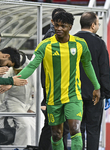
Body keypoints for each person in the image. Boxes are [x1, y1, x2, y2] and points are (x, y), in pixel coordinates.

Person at [8, 11, 101, 150]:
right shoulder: (45, 45)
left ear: (70, 27)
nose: (58, 28)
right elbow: (32, 65)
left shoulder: (80, 44)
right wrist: (13, 80)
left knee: (75, 130)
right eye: (56, 25)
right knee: (56, 134)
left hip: (73, 96)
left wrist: (97, 86)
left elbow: (87, 65)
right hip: (53, 98)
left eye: (63, 26)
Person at [74, 12, 110, 150]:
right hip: (95, 94)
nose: (98, 26)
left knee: (77, 130)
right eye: (98, 24)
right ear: (92, 25)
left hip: (74, 93)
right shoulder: (99, 43)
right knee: (93, 130)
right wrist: (107, 93)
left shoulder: (71, 41)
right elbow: (104, 70)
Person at [38, 8, 69, 150]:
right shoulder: (53, 38)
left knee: (53, 125)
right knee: (57, 126)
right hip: (55, 88)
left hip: (53, 87)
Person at [0, 51, 36, 145]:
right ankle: (19, 147)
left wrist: (33, 109)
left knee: (40, 124)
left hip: (29, 103)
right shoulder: (8, 73)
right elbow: (1, 95)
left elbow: (38, 92)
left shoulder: (32, 69)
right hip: (13, 101)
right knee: (25, 125)